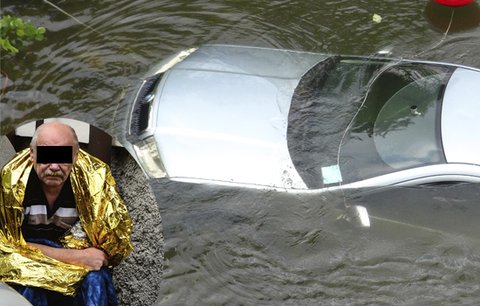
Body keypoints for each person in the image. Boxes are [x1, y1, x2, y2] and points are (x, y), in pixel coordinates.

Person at [0, 122, 133, 306]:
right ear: (32, 154)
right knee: (27, 285)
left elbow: (103, 254)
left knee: (96, 281)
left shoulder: (94, 181)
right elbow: (6, 247)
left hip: (76, 269)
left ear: (75, 156)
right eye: (47, 156)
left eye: (62, 157)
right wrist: (76, 256)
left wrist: (80, 257)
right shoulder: (13, 183)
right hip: (31, 267)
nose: (54, 166)